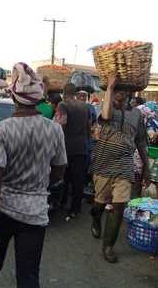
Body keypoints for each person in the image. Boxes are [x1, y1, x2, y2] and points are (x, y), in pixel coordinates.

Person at [0, 62, 67, 288]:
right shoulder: (54, 129)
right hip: (35, 213)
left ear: (13, 95)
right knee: (28, 276)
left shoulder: (3, 129)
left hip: (4, 209)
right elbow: (59, 170)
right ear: (37, 98)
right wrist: (40, 183)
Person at [88, 76, 149, 263]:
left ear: (131, 92)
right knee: (99, 203)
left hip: (124, 164)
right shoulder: (106, 108)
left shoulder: (137, 115)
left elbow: (140, 141)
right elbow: (105, 117)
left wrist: (147, 167)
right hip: (103, 163)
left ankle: (108, 247)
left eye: (124, 89)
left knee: (119, 206)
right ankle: (96, 217)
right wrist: (110, 88)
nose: (121, 92)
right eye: (117, 89)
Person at [55, 83, 91, 221]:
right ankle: (76, 208)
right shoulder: (84, 106)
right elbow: (89, 126)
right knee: (78, 180)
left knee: (63, 177)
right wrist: (87, 141)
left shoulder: (62, 105)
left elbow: (61, 125)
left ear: (64, 92)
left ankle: (62, 203)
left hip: (66, 148)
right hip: (81, 148)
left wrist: (57, 145)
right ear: (75, 93)